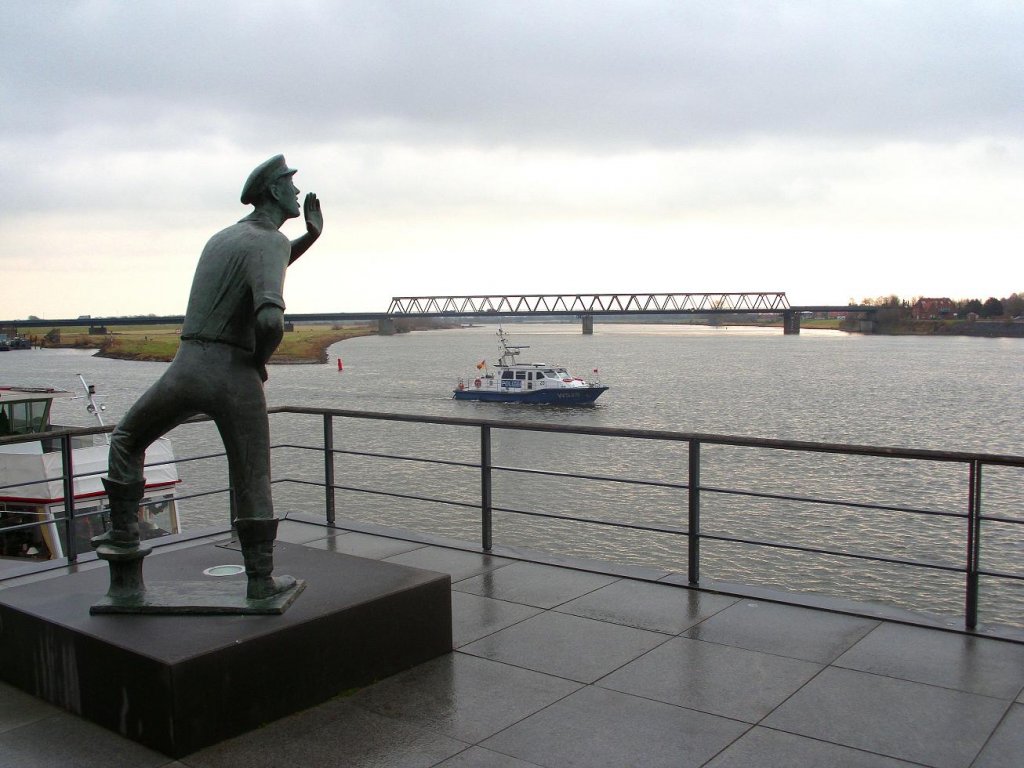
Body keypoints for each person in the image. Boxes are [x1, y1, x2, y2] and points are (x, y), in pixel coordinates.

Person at [95, 155, 323, 600]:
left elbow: (260, 259)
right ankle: (260, 580)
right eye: (291, 186)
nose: (298, 193)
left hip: (187, 364)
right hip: (232, 372)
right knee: (252, 476)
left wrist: (308, 239)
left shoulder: (223, 238)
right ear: (274, 192)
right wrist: (259, 362)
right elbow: (271, 321)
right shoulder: (270, 243)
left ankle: (123, 548)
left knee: (126, 440)